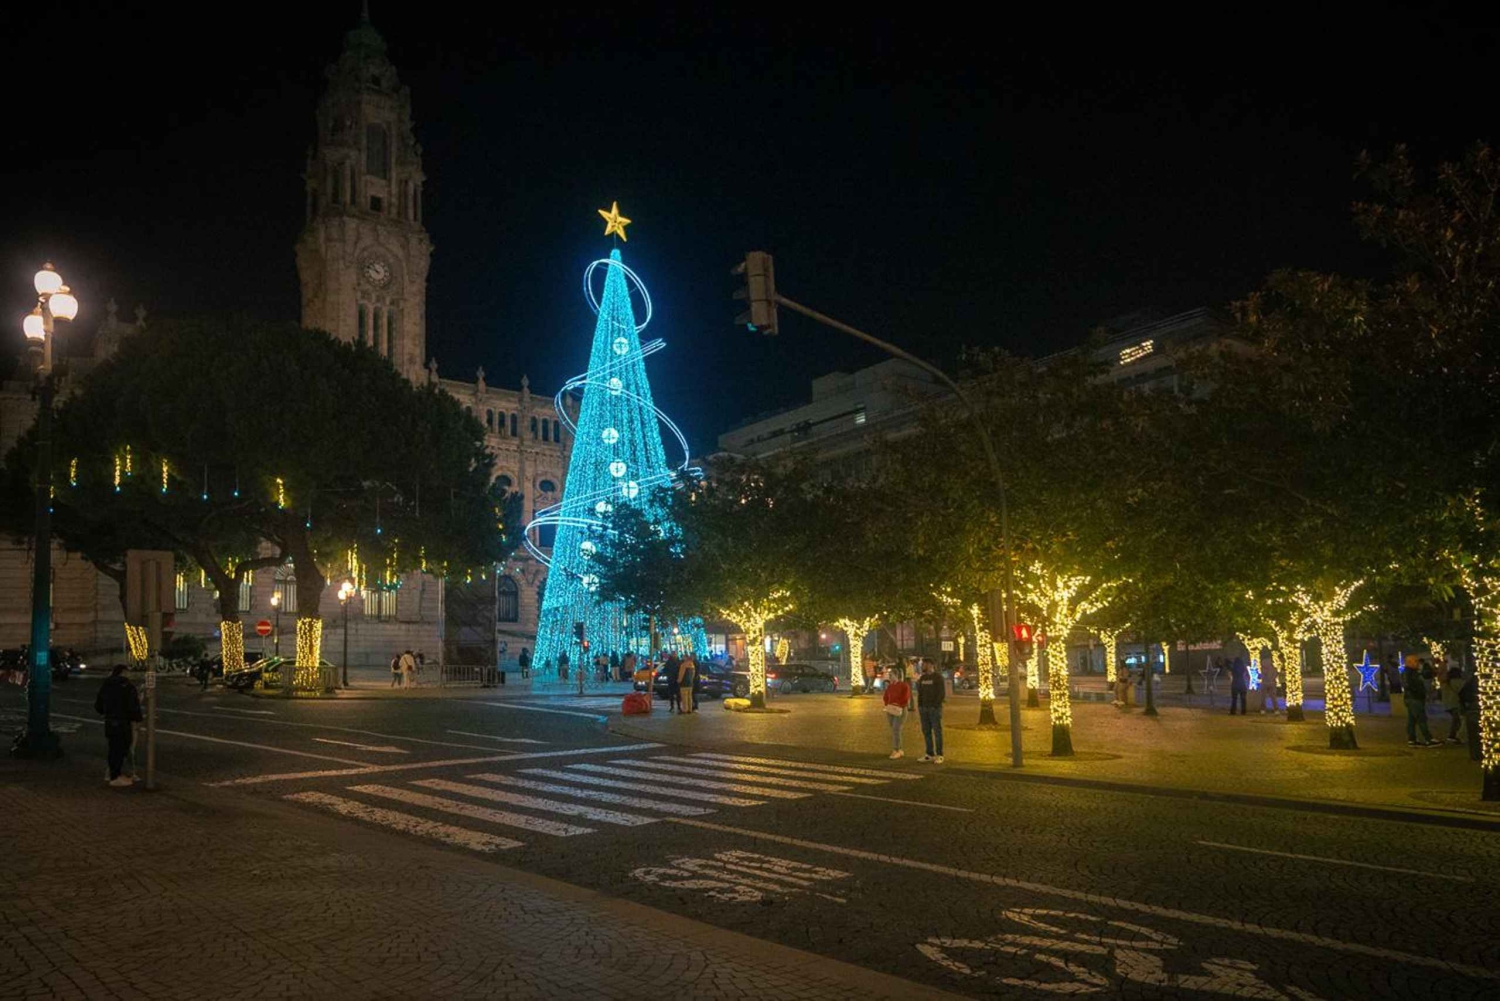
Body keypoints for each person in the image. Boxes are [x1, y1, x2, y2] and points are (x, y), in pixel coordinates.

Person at [95, 665, 143, 787]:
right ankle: (115, 776)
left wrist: (106, 711)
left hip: (110, 721)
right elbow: (133, 706)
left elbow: (98, 705)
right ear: (123, 672)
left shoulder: (107, 685)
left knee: (113, 748)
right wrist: (138, 719)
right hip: (123, 722)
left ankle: (113, 774)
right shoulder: (127, 686)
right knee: (122, 748)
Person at [1402, 655, 1439, 747]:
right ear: (1409, 663)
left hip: (1412, 698)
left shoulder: (1412, 672)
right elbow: (1409, 684)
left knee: (1412, 719)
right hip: (1414, 698)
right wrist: (1419, 691)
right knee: (1421, 718)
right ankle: (1428, 739)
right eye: (1415, 661)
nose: (1418, 663)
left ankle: (1412, 739)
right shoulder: (1410, 673)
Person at [915, 659, 945, 763]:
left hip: (934, 709)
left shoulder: (938, 677)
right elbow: (920, 692)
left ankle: (939, 754)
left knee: (937, 731)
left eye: (924, 664)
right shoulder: (923, 678)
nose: (922, 666)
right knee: (926, 731)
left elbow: (941, 693)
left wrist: (935, 705)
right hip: (924, 708)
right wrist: (920, 706)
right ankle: (929, 753)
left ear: (930, 665)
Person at [882, 667, 911, 759]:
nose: (890, 677)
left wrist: (898, 704)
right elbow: (886, 696)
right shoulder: (890, 686)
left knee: (896, 729)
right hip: (891, 709)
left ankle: (896, 749)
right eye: (889, 675)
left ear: (896, 675)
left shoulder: (904, 685)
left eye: (891, 675)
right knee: (895, 729)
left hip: (900, 709)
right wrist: (887, 704)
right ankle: (899, 749)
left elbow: (905, 698)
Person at [1441, 666, 1466, 744]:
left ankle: (1453, 736)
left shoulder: (1445, 682)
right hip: (1455, 703)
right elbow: (1463, 690)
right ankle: (1453, 736)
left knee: (1456, 720)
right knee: (1458, 720)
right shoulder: (1457, 682)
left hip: (1447, 704)